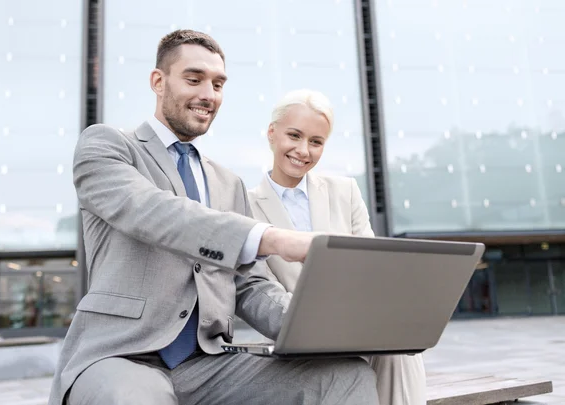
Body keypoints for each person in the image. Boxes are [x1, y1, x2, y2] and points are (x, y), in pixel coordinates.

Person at [48, 30, 380, 405]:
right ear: (159, 82)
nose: (209, 94)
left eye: (218, 84)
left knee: (345, 375)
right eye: (194, 79)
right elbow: (155, 212)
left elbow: (249, 283)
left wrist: (320, 325)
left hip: (207, 363)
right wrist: (273, 237)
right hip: (120, 355)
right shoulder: (108, 146)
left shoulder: (228, 183)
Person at [247, 89, 427, 405]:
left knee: (400, 350)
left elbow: (372, 269)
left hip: (357, 325)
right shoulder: (244, 205)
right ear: (272, 133)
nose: (303, 150)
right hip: (295, 337)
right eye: (294, 135)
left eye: (316, 142)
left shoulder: (344, 191)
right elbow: (258, 288)